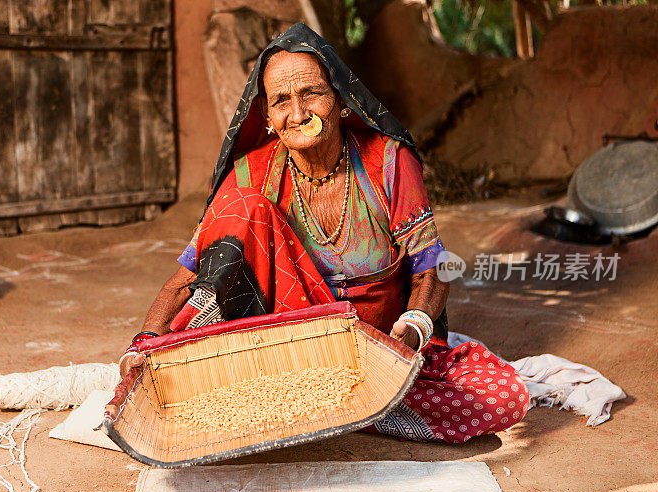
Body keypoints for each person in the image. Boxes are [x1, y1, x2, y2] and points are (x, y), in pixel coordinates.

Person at [108, 23, 529, 443]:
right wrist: (145, 341)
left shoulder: (388, 163)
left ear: (342, 100)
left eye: (311, 94)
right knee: (245, 212)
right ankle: (247, 385)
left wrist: (416, 325)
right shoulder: (251, 174)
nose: (298, 113)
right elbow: (188, 280)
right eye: (281, 102)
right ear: (268, 118)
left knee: (502, 398)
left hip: (381, 357)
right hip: (289, 362)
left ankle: (360, 407)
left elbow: (430, 267)